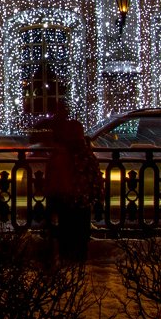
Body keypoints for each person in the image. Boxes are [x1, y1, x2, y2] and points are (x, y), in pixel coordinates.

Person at [44, 112, 101, 262]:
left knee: (66, 244)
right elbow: (96, 180)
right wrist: (95, 197)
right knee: (79, 245)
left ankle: (67, 272)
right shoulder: (87, 155)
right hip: (82, 204)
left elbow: (53, 180)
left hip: (65, 204)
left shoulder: (61, 154)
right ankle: (77, 274)